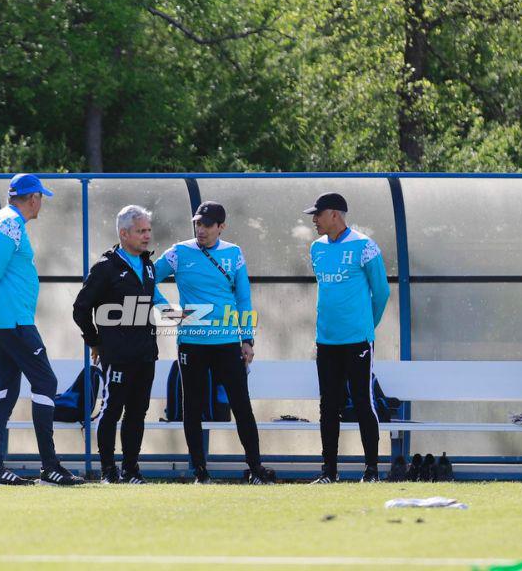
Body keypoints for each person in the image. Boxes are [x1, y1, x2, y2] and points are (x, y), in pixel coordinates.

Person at [0, 173, 84, 487]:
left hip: (5, 322)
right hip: (14, 323)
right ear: (33, 198)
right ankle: (49, 468)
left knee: (4, 391)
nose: (41, 203)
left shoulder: (3, 221)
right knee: (45, 380)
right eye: (40, 197)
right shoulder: (9, 224)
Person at [153, 201, 276, 484]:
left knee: (241, 405)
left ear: (221, 227)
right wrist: (168, 311)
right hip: (192, 342)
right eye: (198, 223)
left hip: (227, 342)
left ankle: (255, 469)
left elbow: (244, 298)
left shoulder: (234, 253)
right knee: (192, 406)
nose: (201, 229)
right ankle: (200, 472)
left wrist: (247, 339)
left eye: (207, 225)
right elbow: (149, 278)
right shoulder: (178, 252)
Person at [73, 205, 169, 484]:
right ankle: (107, 471)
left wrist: (181, 316)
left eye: (149, 230)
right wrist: (95, 341)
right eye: (141, 231)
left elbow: (154, 302)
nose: (147, 236)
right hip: (117, 354)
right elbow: (80, 309)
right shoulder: (106, 267)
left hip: (146, 353)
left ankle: (131, 470)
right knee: (112, 409)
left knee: (138, 411)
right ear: (124, 233)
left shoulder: (149, 265)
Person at [304, 192, 390, 483]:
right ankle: (329, 472)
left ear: (335, 215)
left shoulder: (365, 247)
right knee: (328, 405)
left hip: (358, 342)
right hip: (326, 341)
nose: (314, 220)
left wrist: (367, 327)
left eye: (318, 214)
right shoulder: (316, 248)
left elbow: (382, 292)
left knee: (364, 403)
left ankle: (371, 470)